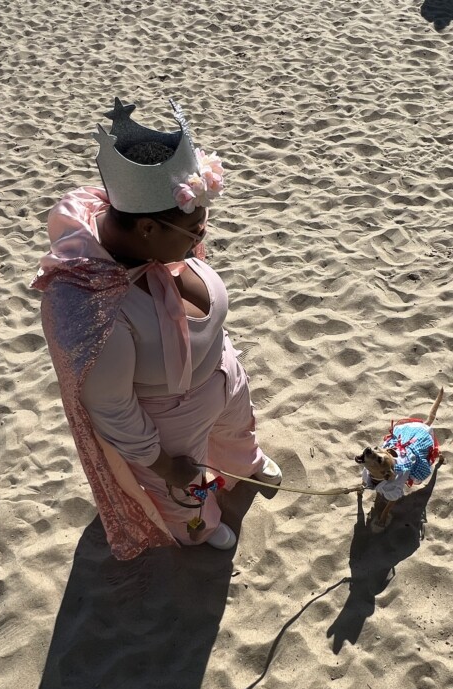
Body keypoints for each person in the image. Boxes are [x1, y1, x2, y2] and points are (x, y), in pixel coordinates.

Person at [30, 98, 281, 560]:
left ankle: (244, 466)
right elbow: (112, 406)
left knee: (237, 431)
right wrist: (164, 464)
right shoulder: (91, 301)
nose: (200, 239)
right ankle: (200, 530)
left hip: (219, 377)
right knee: (183, 491)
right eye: (194, 232)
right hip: (169, 420)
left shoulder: (160, 246)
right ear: (146, 228)